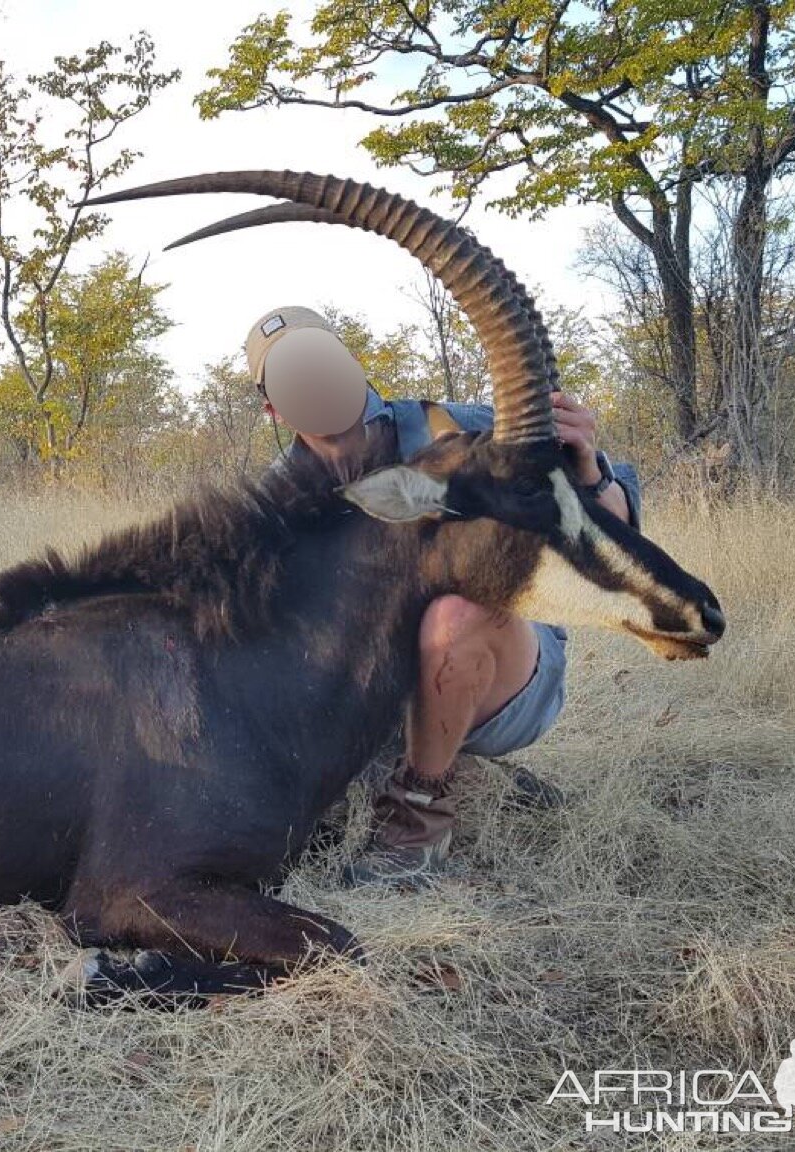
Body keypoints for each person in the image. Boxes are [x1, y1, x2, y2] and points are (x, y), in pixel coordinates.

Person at [248, 305, 643, 884]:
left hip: (503, 664)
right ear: (272, 407)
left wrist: (587, 469)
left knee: (458, 605)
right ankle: (434, 766)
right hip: (375, 691)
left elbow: (615, 543)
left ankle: (415, 831)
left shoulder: (460, 425)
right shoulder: (275, 499)